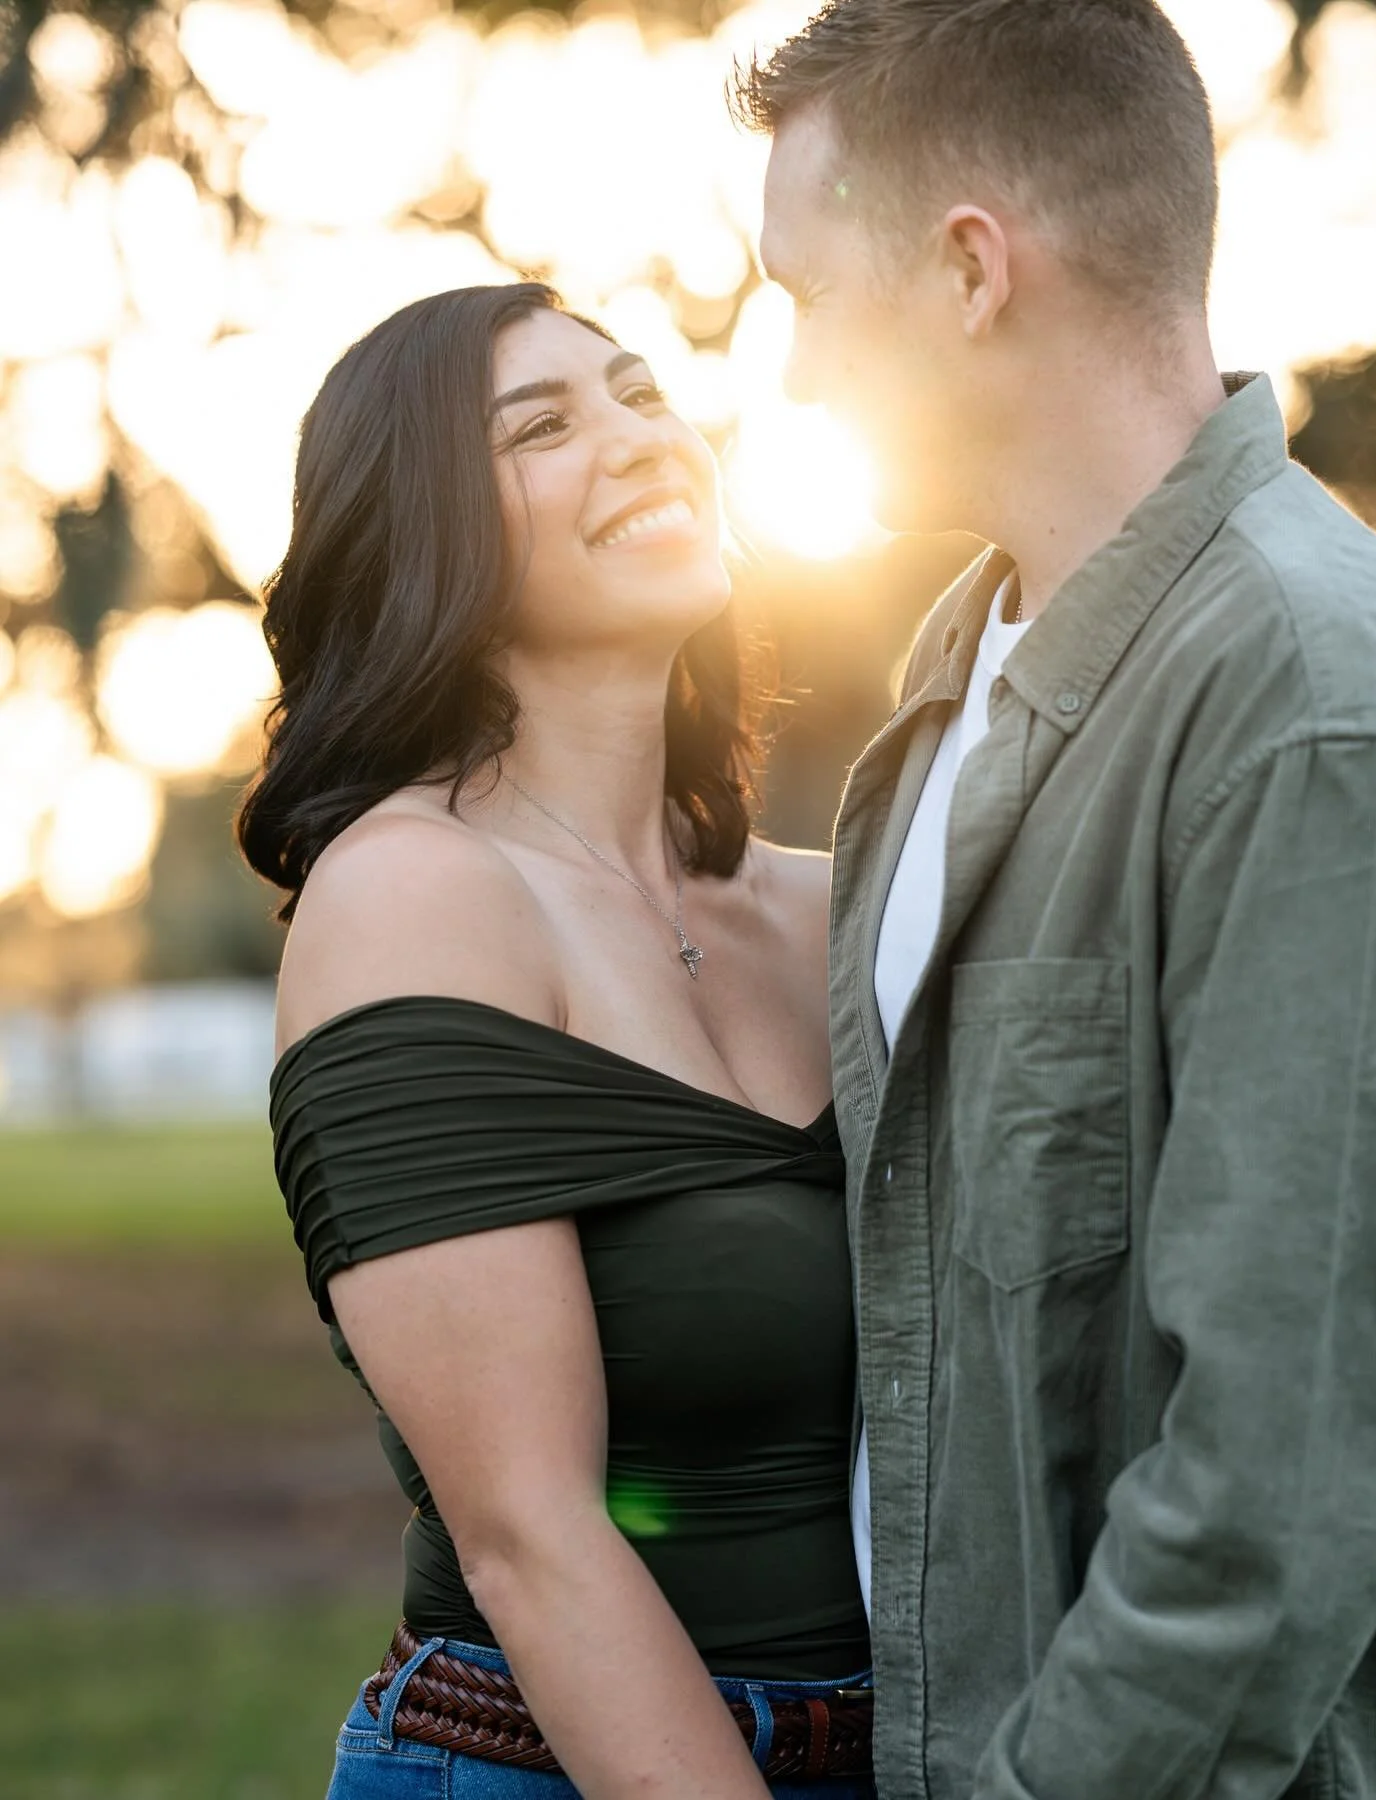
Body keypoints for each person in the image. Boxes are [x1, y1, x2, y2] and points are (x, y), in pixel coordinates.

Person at [734, 2, 1376, 1796]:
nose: (794, 374)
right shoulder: (955, 667)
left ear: (972, 271)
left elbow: (1290, 1460)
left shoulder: (1308, 706)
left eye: (807, 295)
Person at [237, 283, 874, 1799]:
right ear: (429, 538)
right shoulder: (412, 894)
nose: (639, 439)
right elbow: (532, 1536)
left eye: (644, 395)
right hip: (542, 1764)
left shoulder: (842, 898)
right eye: (544, 426)